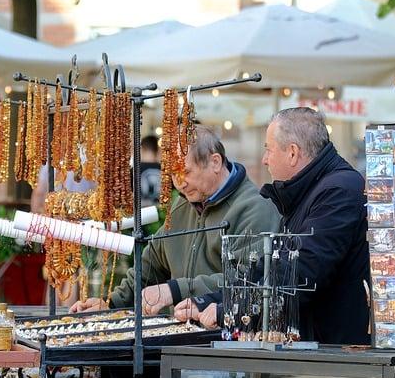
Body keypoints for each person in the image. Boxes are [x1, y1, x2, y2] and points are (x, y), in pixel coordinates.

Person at [178, 107, 370, 345]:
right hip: (321, 351)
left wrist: (230, 311)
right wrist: (211, 300)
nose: (264, 159)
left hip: (342, 355)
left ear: (292, 153)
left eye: (268, 149)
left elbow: (301, 273)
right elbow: (269, 269)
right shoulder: (308, 191)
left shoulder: (338, 191)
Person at [70, 125, 279, 313]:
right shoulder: (182, 204)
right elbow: (152, 263)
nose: (180, 183)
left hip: (227, 341)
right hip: (183, 336)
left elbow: (249, 280)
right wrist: (111, 304)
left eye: (185, 172)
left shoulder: (255, 209)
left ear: (215, 162)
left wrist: (176, 289)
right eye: (172, 174)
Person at [31, 165, 95, 307]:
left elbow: (39, 192)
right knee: (74, 272)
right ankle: (68, 314)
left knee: (55, 273)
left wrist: (37, 222)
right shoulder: (88, 159)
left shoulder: (51, 160)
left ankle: (53, 312)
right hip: (80, 224)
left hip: (55, 222)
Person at [138, 134, 161, 206]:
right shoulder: (165, 170)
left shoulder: (135, 169)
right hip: (161, 212)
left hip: (141, 212)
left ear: (142, 149)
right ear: (157, 149)